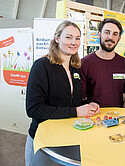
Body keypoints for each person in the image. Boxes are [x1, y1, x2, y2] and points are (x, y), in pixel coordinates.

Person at [25, 21, 100, 166]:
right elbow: (33, 109)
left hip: (68, 138)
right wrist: (75, 111)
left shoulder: (75, 68)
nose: (74, 42)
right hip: (44, 142)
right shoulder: (42, 66)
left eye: (77, 38)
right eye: (69, 37)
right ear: (57, 39)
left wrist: (88, 105)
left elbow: (72, 103)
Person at [80, 18, 125, 107]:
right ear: (99, 34)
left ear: (119, 38)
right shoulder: (85, 63)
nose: (110, 37)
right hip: (94, 117)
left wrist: (124, 113)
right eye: (107, 32)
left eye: (115, 34)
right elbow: (81, 97)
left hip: (118, 118)